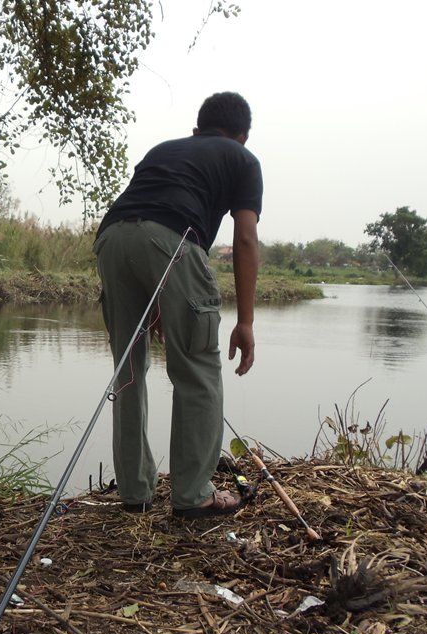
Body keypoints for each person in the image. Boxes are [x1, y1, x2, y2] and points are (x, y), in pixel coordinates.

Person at [93, 91, 262, 519]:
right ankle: (193, 495)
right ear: (242, 136)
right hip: (173, 240)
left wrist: (159, 303)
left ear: (197, 130)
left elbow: (140, 223)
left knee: (128, 370)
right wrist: (245, 321)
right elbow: (245, 238)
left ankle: (135, 492)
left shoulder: (164, 149)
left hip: (111, 239)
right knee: (198, 370)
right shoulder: (243, 160)